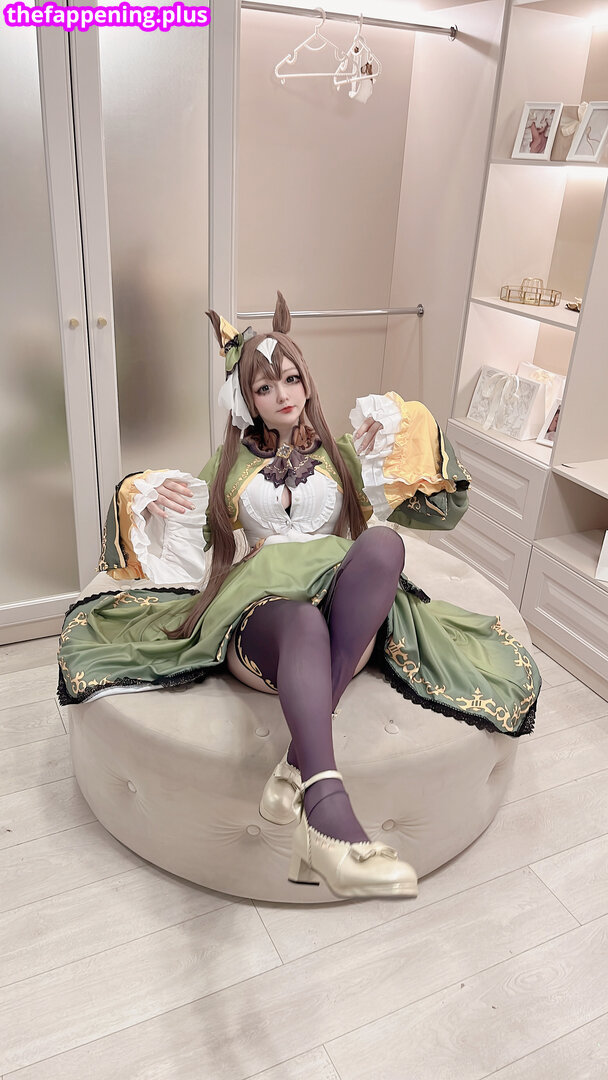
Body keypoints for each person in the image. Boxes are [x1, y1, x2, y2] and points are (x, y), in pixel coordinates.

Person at [57, 291, 541, 901]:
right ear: (246, 399)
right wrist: (144, 498)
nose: (283, 394)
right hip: (265, 618)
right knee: (303, 626)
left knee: (384, 544)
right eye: (265, 387)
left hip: (344, 617)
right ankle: (330, 822)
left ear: (306, 380)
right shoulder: (226, 464)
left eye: (291, 378)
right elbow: (184, 541)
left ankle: (297, 762)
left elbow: (440, 512)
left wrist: (406, 436)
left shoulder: (344, 454)